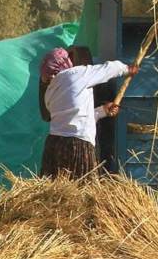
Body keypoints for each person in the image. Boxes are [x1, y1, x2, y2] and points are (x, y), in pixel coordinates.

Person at [39, 46, 137, 179]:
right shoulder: (77, 74)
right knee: (82, 185)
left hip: (54, 146)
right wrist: (126, 69)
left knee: (55, 187)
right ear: (65, 62)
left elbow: (72, 117)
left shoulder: (49, 93)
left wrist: (102, 111)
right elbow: (106, 69)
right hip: (77, 145)